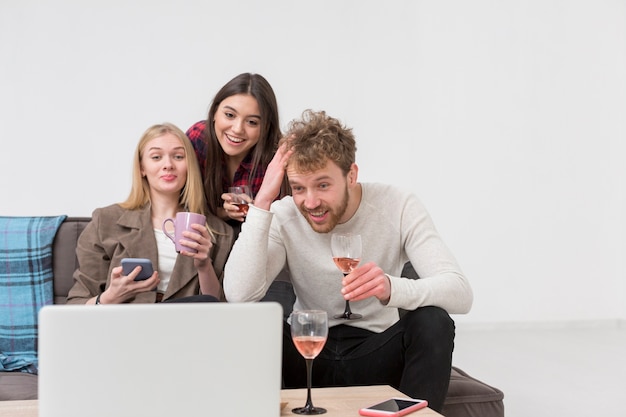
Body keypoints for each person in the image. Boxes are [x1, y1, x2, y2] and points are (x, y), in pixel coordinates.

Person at [223, 110, 473, 412]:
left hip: (376, 353)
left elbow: (460, 293)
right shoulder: (284, 212)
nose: (311, 202)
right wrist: (262, 202)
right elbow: (238, 295)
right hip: (307, 357)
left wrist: (391, 288)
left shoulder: (398, 204)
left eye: (323, 185)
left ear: (351, 175)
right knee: (256, 324)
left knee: (433, 321)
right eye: (299, 188)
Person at [66, 123, 234, 305]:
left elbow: (218, 307)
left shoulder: (220, 232)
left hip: (187, 326)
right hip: (127, 326)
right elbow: (76, 303)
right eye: (156, 157)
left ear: (189, 167)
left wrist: (203, 265)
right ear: (142, 168)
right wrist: (109, 298)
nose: (168, 165)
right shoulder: (106, 221)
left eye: (178, 156)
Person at [186, 72, 289, 231]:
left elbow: (284, 228)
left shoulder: (277, 159)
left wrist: (256, 209)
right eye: (229, 115)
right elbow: (178, 207)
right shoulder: (199, 138)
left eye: (252, 122)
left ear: (266, 127)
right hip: (205, 240)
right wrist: (223, 212)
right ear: (214, 112)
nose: (237, 129)